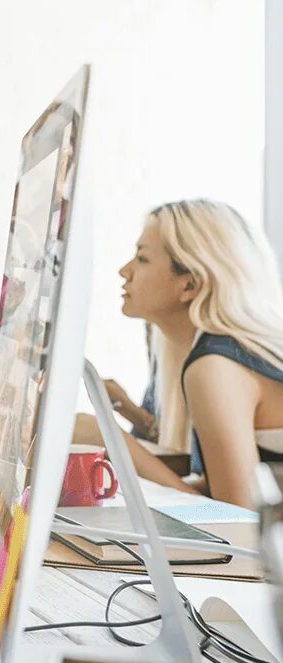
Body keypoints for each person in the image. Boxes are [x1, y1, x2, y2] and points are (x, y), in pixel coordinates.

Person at [76, 199, 283, 507]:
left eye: (143, 259)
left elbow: (238, 522)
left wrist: (113, 442)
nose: (124, 271)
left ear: (190, 284)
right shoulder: (222, 353)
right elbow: (217, 489)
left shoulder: (215, 367)